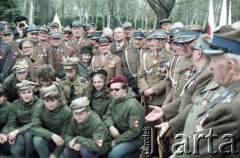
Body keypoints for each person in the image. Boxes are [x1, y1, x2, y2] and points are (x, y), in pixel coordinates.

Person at [103, 75, 145, 158]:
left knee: (113, 155)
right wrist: (111, 126)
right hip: (121, 135)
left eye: (116, 89)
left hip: (137, 139)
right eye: (111, 90)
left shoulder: (133, 105)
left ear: (125, 89)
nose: (113, 92)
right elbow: (107, 116)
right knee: (102, 149)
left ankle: (140, 154)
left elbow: (134, 131)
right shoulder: (115, 100)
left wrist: (116, 141)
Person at [31, 85, 72, 158]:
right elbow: (34, 127)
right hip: (47, 137)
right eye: (46, 101)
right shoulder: (40, 107)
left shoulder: (66, 111)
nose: (50, 104)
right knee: (37, 140)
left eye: (53, 100)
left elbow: (65, 135)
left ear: (58, 99)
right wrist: (51, 135)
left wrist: (55, 154)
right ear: (43, 100)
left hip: (62, 140)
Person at [4, 80, 42, 158]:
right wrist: (12, 134)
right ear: (19, 94)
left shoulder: (39, 103)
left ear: (33, 92)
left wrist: (17, 131)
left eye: (29, 92)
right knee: (16, 151)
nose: (26, 95)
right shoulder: (15, 104)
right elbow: (11, 122)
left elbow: (36, 122)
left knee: (28, 136)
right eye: (23, 93)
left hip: (36, 129)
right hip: (21, 130)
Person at [0, 84, 11, 155]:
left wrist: (4, 134)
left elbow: (9, 122)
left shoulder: (9, 106)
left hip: (3, 128)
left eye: (0, 96)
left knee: (7, 150)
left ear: (4, 96)